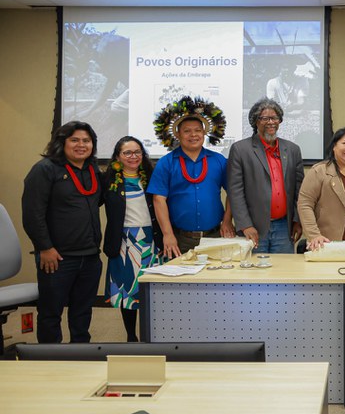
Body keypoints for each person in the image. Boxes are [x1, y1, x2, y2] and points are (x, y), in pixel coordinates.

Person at [22, 121, 103, 343]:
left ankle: (81, 353)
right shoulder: (44, 169)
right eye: (74, 140)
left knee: (82, 312)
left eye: (86, 140)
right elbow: (32, 215)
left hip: (90, 256)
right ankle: (50, 358)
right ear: (62, 142)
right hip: (57, 257)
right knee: (51, 313)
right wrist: (45, 248)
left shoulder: (93, 170)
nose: (81, 145)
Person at [147, 96, 235, 258]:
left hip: (215, 237)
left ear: (204, 133)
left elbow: (233, 191)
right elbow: (158, 200)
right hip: (180, 240)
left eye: (198, 130)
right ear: (178, 135)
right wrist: (167, 234)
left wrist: (228, 220)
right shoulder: (166, 163)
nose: (193, 135)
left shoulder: (219, 160)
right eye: (187, 131)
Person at [103, 136, 163, 342]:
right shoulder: (109, 181)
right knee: (128, 291)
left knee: (152, 289)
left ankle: (153, 335)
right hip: (124, 243)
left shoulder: (152, 176)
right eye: (127, 152)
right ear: (118, 156)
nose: (133, 156)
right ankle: (131, 336)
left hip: (152, 240)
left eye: (137, 152)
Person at [228, 98, 304, 253]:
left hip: (284, 227)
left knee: (284, 268)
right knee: (254, 268)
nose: (271, 122)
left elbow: (299, 189)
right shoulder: (240, 149)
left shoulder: (292, 149)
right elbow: (235, 192)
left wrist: (298, 220)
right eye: (265, 118)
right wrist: (245, 225)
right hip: (253, 228)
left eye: (275, 118)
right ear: (255, 121)